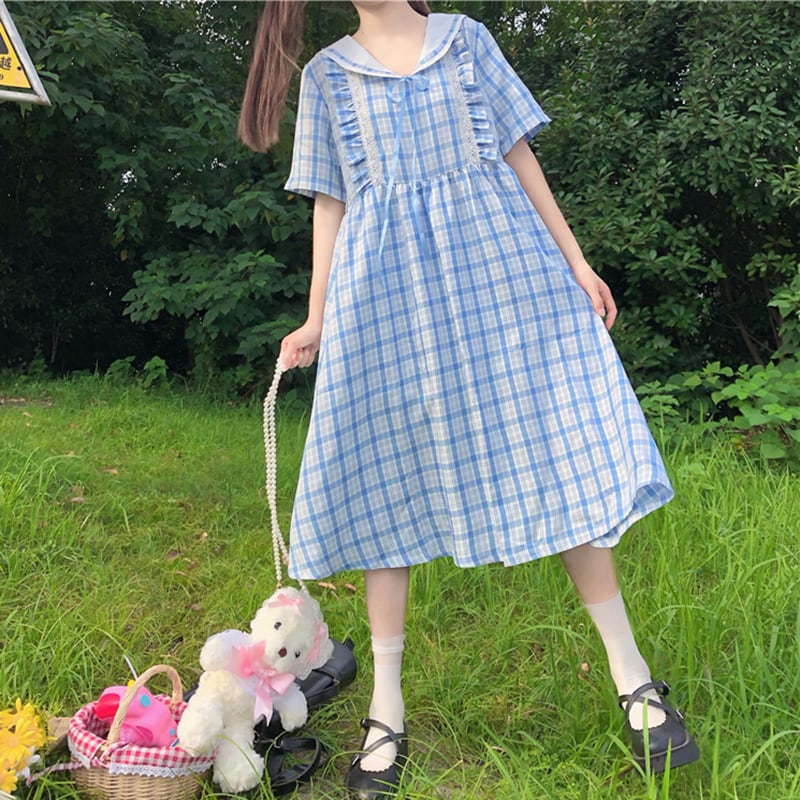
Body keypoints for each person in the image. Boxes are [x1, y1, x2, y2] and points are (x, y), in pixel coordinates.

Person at [239, 2, 700, 797]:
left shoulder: (467, 42)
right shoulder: (327, 78)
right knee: (384, 476)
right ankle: (387, 707)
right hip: (383, 296)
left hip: (503, 276)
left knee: (556, 447)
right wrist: (316, 316)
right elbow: (331, 203)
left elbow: (519, 154)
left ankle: (633, 679)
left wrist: (577, 262)